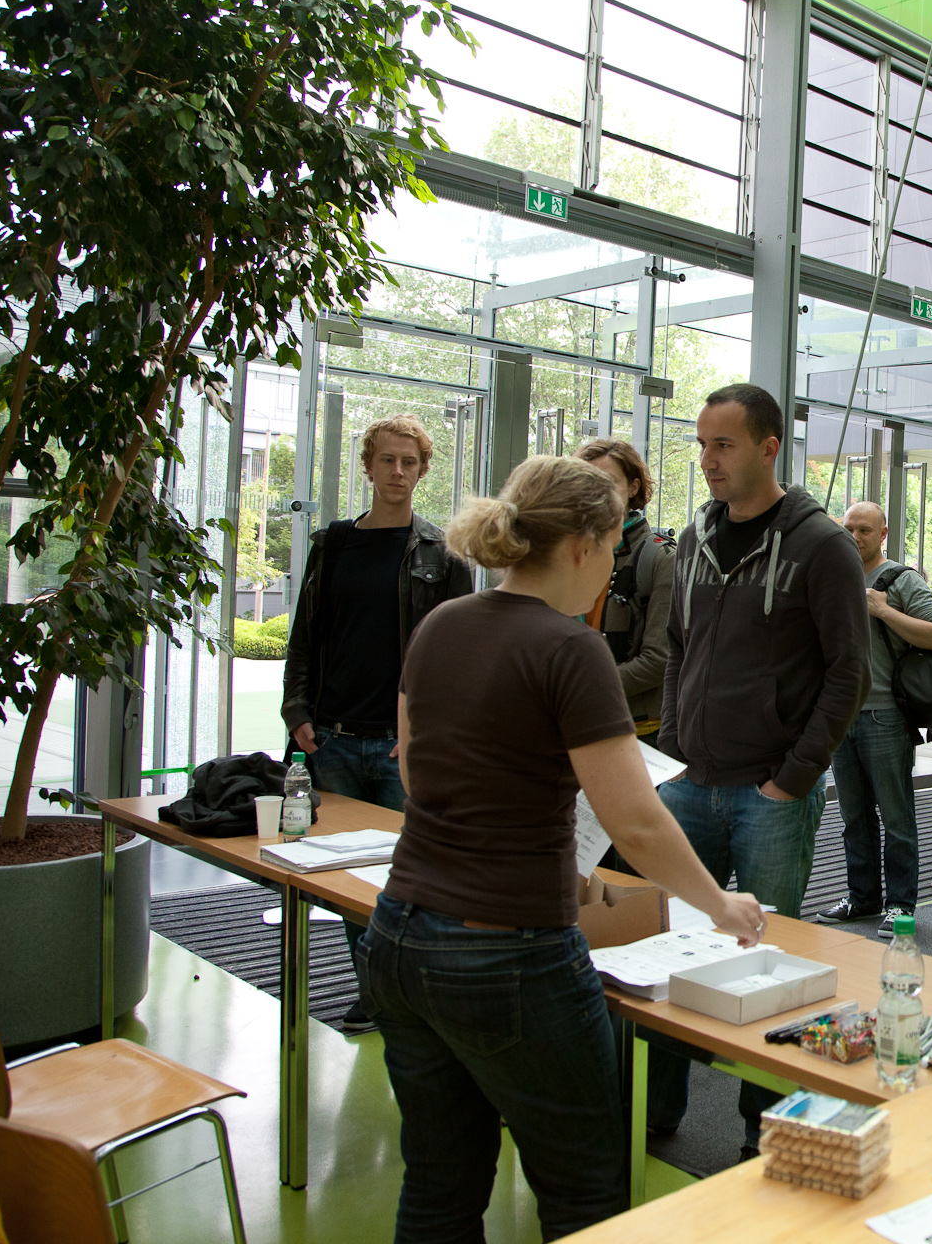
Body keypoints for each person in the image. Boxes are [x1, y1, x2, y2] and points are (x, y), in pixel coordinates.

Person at [357, 455, 763, 1243]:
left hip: (402, 937)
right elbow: (637, 823)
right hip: (507, 956)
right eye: (613, 549)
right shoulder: (569, 648)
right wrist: (721, 904)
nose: (613, 570)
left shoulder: (443, 624)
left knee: (440, 1184)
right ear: (582, 545)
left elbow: (415, 765)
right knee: (586, 1192)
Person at [651, 381, 868, 1154]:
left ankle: (763, 1129)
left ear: (769, 446)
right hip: (690, 786)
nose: (707, 460)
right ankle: (658, 1114)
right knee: (673, 953)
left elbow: (850, 673)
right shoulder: (695, 538)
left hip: (769, 794)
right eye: (702, 444)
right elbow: (678, 648)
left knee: (773, 968)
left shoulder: (820, 545)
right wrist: (675, 742)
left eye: (723, 444)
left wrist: (794, 778)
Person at [282, 413, 472, 1032]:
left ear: (422, 470)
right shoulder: (332, 544)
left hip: (401, 745)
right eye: (387, 460)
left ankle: (411, 994)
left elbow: (455, 660)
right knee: (344, 880)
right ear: (367, 466)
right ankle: (375, 993)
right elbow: (305, 637)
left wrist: (429, 735)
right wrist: (298, 714)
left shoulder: (442, 554)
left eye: (409, 462)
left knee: (407, 879)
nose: (397, 472)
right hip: (332, 738)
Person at [813, 502, 932, 937]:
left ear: (883, 533)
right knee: (853, 815)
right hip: (842, 715)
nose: (854, 537)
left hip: (885, 714)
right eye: (848, 528)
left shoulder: (902, 579)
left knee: (896, 817)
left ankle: (901, 905)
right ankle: (862, 896)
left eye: (864, 530)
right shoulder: (834, 576)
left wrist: (884, 610)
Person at [578, 438, 675, 743]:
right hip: (577, 721)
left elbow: (659, 659)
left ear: (633, 488)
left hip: (638, 731)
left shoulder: (660, 559)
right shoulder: (572, 554)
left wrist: (583, 687)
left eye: (607, 483)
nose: (596, 495)